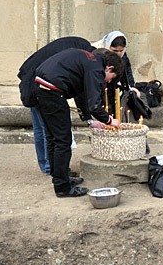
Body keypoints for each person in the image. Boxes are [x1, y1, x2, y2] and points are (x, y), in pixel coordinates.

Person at [34, 48, 124, 197]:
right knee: (63, 140)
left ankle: (59, 176)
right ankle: (63, 187)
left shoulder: (89, 61)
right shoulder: (96, 68)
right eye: (111, 77)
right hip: (53, 91)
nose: (108, 81)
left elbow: (81, 96)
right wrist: (110, 120)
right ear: (109, 68)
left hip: (42, 86)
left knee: (53, 137)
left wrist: (89, 120)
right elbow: (94, 105)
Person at [17, 36, 93, 175]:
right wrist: (88, 117)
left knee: (43, 129)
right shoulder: (83, 56)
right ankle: (52, 168)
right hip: (40, 86)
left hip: (34, 80)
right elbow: (80, 92)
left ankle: (49, 166)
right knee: (49, 131)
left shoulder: (76, 47)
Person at [92, 31, 139, 120]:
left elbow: (127, 70)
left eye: (121, 51)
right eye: (115, 50)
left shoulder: (123, 55)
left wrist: (131, 86)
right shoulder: (97, 53)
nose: (118, 54)